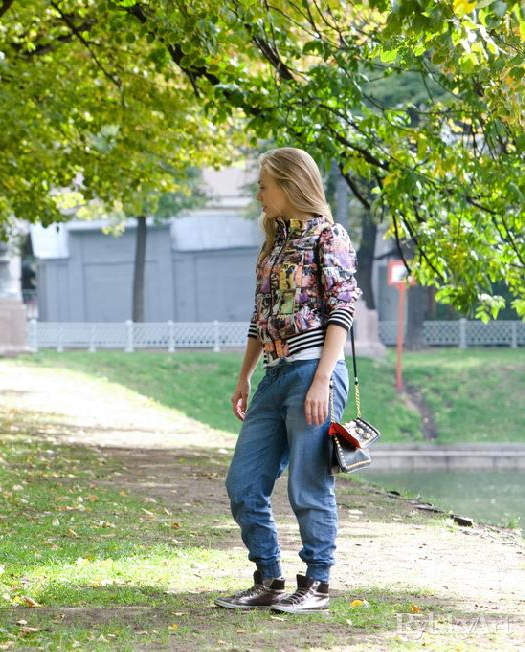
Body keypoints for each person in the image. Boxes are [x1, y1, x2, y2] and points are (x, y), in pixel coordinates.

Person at [214, 147, 360, 614]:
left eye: (263, 185)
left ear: (290, 184)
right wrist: (244, 376)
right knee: (243, 482)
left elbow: (341, 309)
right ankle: (269, 578)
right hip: (274, 376)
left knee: (307, 484)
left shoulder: (328, 236)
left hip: (312, 372)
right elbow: (261, 317)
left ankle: (316, 584)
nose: (259, 194)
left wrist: (321, 381)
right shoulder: (274, 245)